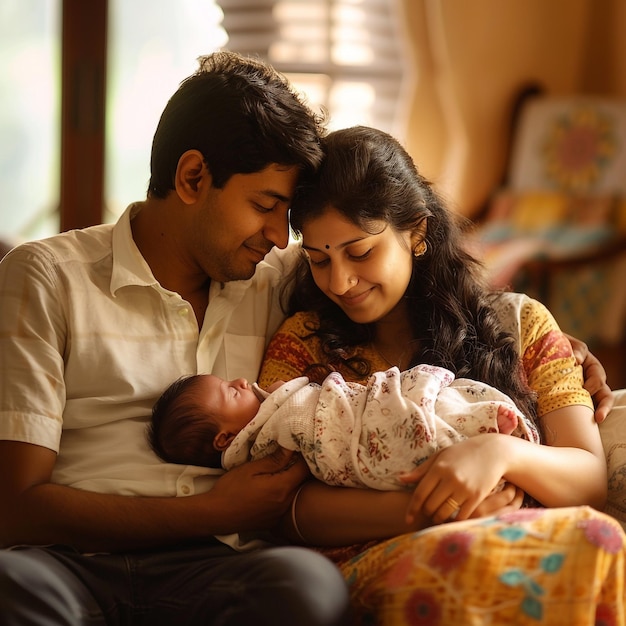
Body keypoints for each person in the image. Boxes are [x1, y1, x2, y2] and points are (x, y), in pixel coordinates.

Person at [0, 51, 352, 626]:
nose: (276, 235)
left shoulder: (280, 280)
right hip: (66, 564)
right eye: (265, 206)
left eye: (286, 217)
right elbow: (14, 508)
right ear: (193, 178)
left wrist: (511, 312)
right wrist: (209, 510)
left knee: (308, 588)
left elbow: (391, 279)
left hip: (222, 569)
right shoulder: (46, 276)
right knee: (8, 589)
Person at [257, 125, 625, 624]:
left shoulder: (520, 324)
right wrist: (434, 510)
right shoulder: (301, 342)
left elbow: (588, 479)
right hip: (373, 559)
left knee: (600, 541)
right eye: (319, 260)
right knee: (473, 567)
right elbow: (283, 505)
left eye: (360, 253)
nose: (339, 282)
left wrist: (499, 452)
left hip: (520, 538)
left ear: (418, 233)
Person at [148, 366, 539, 492]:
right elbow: (312, 427)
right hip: (352, 434)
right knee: (403, 433)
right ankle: (475, 431)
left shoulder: (270, 405)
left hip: (358, 406)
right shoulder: (268, 440)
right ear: (226, 439)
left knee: (435, 403)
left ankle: (477, 424)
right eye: (227, 394)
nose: (237, 383)